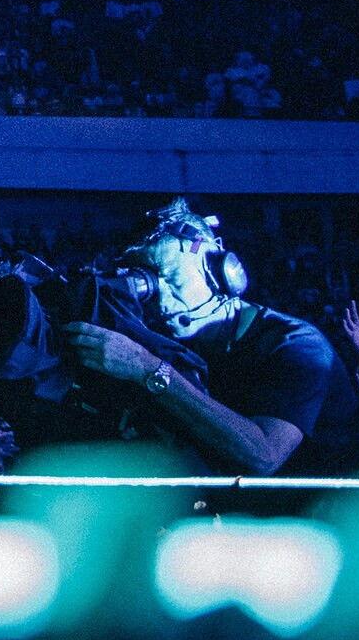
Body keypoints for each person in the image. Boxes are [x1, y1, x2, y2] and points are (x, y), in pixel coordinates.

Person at [58, 201, 332, 477]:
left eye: (174, 279)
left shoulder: (298, 345)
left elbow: (264, 457)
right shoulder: (172, 343)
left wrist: (149, 370)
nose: (163, 303)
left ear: (220, 271)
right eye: (151, 287)